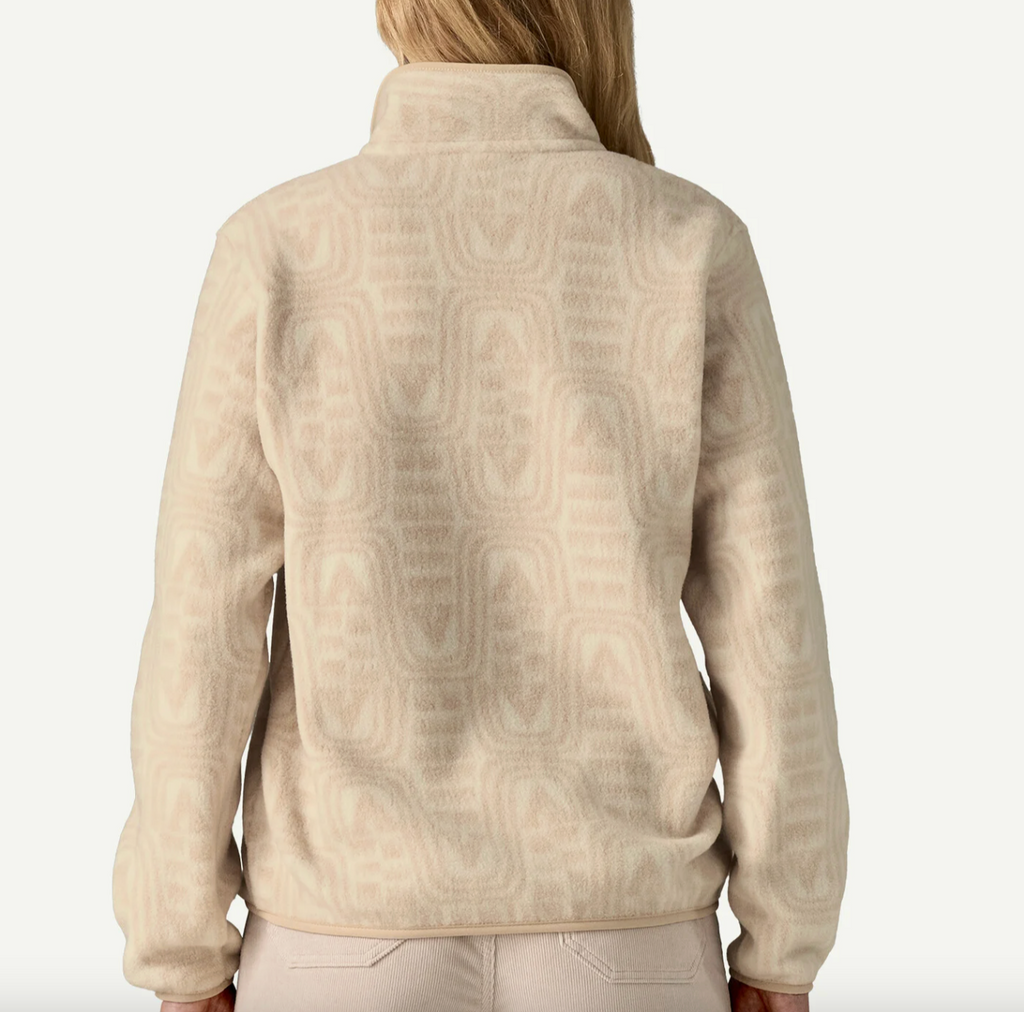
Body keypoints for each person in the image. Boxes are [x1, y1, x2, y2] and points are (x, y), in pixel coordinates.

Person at [112, 1, 850, 1010]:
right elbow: (771, 624)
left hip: (342, 935)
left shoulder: (277, 247)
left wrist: (179, 943)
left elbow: (202, 626)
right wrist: (785, 938)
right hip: (627, 932)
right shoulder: (688, 243)